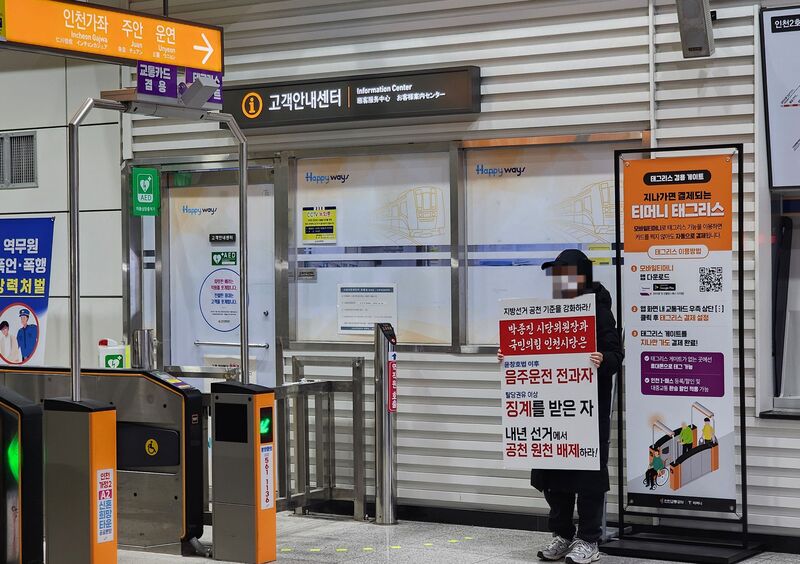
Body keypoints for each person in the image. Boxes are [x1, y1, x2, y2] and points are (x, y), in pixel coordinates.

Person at [498, 249, 623, 564]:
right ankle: (563, 535)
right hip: (553, 409)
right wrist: (510, 356)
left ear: (582, 275)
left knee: (588, 476)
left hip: (586, 410)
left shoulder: (599, 310)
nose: (560, 281)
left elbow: (616, 354)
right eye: (556, 275)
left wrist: (604, 359)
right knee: (553, 473)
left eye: (566, 274)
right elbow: (535, 350)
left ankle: (589, 540)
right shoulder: (551, 311)